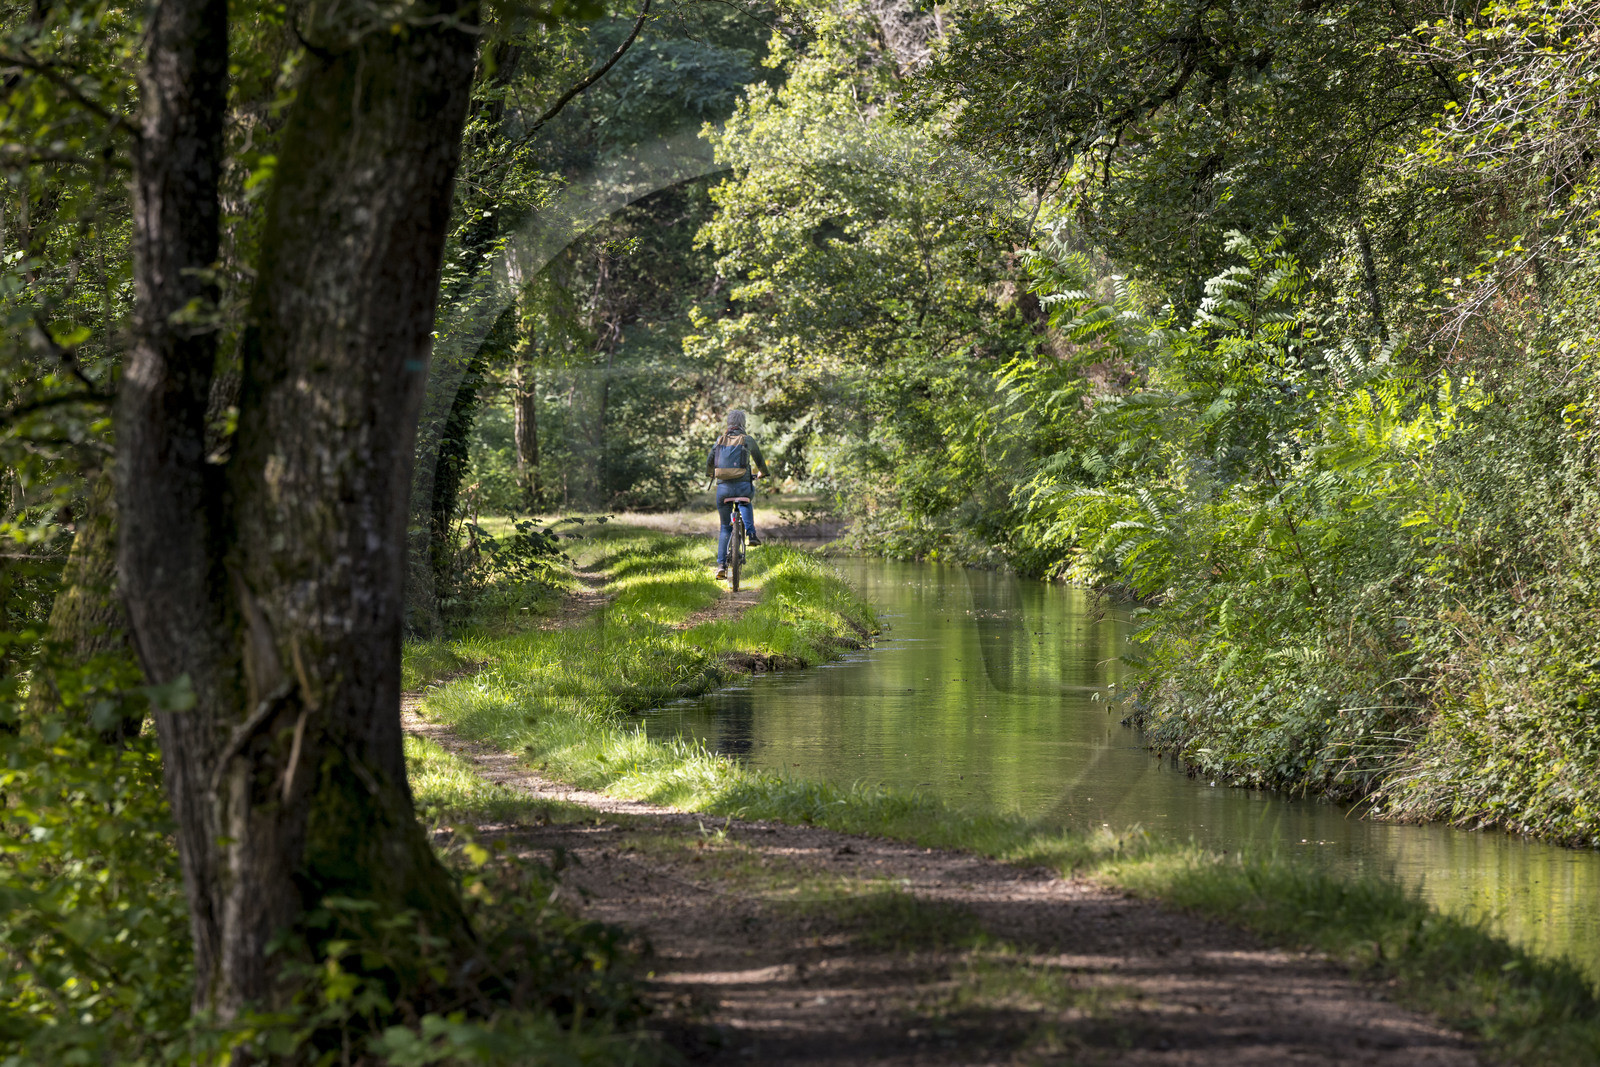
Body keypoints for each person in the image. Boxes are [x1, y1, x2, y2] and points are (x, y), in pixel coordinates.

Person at [706, 409, 771, 580]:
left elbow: (709, 461)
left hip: (723, 490)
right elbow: (760, 461)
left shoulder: (720, 440)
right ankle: (751, 534)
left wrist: (711, 474)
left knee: (725, 527)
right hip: (743, 487)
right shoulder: (747, 440)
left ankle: (721, 566)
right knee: (746, 502)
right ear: (743, 423)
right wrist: (762, 473)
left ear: (728, 423)